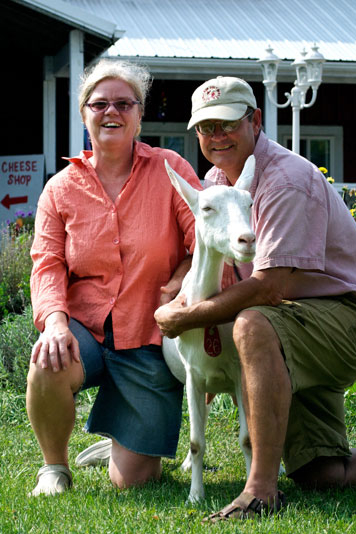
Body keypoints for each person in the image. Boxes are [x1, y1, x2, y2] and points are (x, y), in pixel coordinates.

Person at [154, 76, 356, 521]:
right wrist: (182, 303)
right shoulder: (220, 180)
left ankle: (260, 491)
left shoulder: (285, 180)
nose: (217, 136)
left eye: (228, 124)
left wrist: (188, 321)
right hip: (296, 322)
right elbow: (213, 263)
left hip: (346, 318)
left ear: (256, 121)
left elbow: (270, 287)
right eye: (207, 128)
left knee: (250, 322)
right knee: (321, 472)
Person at [26, 58, 201, 496]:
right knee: (47, 360)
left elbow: (206, 238)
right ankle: (54, 468)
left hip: (148, 334)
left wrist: (183, 275)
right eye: (100, 103)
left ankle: (121, 441)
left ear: (140, 115)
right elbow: (46, 262)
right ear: (84, 113)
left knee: (134, 482)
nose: (112, 112)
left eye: (125, 103)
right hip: (84, 328)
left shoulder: (171, 169)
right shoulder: (60, 188)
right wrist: (55, 322)